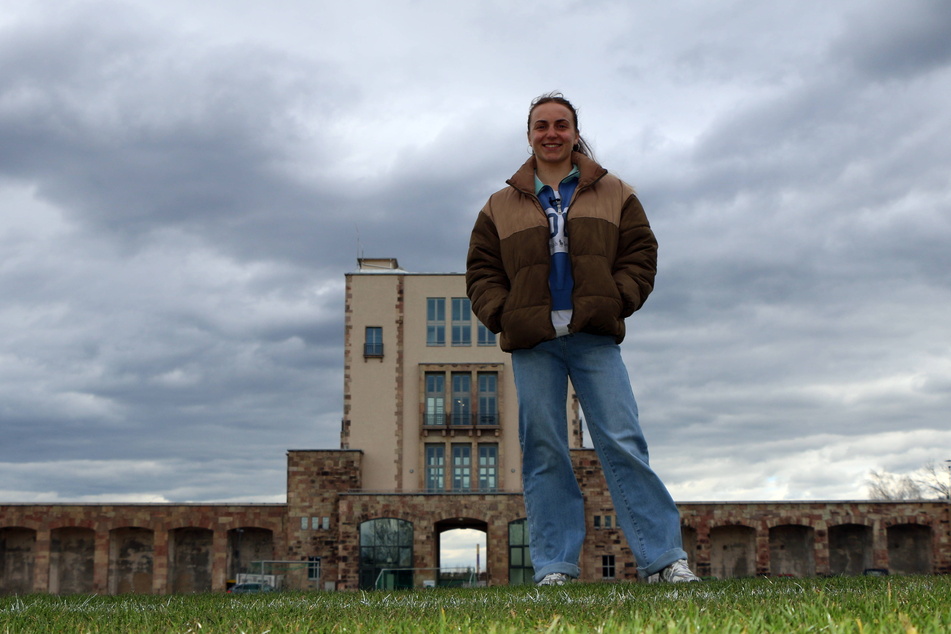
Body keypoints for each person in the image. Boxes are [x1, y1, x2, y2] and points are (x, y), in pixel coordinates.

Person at [466, 92, 699, 586]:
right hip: (533, 342)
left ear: (574, 131)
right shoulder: (499, 204)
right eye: (541, 125)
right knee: (544, 449)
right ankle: (555, 567)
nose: (551, 133)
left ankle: (663, 561)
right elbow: (481, 271)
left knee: (622, 441)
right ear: (529, 134)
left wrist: (616, 300)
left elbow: (641, 253)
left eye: (561, 125)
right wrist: (503, 314)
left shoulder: (615, 191)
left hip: (594, 336)